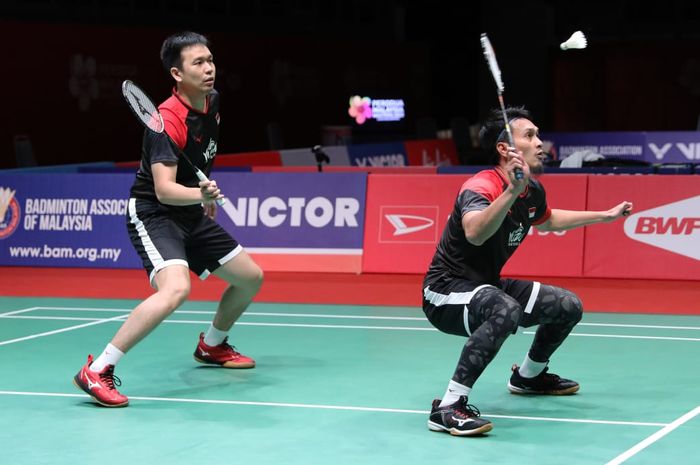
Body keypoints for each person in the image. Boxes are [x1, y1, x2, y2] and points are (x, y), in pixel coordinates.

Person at [73, 31, 264, 407]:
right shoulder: (166, 121)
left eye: (210, 60)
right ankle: (98, 370)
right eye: (198, 63)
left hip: (190, 211)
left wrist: (199, 191)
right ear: (177, 73)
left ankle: (211, 345)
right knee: (176, 289)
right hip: (154, 213)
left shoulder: (212, 102)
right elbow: (162, 189)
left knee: (249, 278)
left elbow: (199, 156)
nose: (209, 68)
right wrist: (200, 194)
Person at [422, 106, 632, 436]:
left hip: (485, 287)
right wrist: (510, 192)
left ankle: (529, 377)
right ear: (505, 149)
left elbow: (548, 221)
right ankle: (448, 406)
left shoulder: (532, 190)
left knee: (567, 306)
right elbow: (475, 231)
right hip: (444, 291)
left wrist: (604, 216)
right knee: (506, 309)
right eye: (529, 135)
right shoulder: (481, 186)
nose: (540, 142)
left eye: (538, 134)